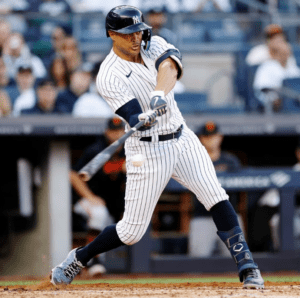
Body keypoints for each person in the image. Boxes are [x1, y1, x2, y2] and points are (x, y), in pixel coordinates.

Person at [51, 5, 264, 289]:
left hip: (181, 137)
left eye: (138, 31)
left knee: (215, 194)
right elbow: (131, 114)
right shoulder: (108, 75)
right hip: (146, 150)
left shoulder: (153, 43)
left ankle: (248, 267)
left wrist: (158, 94)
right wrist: (142, 117)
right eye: (128, 34)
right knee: (131, 231)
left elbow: (169, 66)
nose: (136, 38)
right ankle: (80, 257)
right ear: (112, 35)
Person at [70, 117, 126, 276]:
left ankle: (88, 262)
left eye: (120, 131)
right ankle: (93, 260)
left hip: (111, 202)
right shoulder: (97, 150)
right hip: (84, 201)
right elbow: (74, 175)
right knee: (99, 213)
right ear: (106, 132)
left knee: (109, 226)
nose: (116, 135)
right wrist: (90, 196)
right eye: (113, 131)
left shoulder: (127, 150)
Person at [190, 121, 243, 257]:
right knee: (197, 262)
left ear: (220, 137)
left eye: (213, 136)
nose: (211, 140)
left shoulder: (231, 161)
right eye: (207, 137)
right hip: (202, 215)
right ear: (201, 138)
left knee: (237, 259)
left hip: (230, 216)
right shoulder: (195, 161)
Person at [253, 41, 300, 112]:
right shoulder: (266, 67)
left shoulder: (292, 66)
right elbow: (262, 88)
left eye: (287, 53)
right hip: (277, 107)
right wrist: (274, 99)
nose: (286, 56)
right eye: (283, 53)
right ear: (274, 53)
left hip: (295, 104)